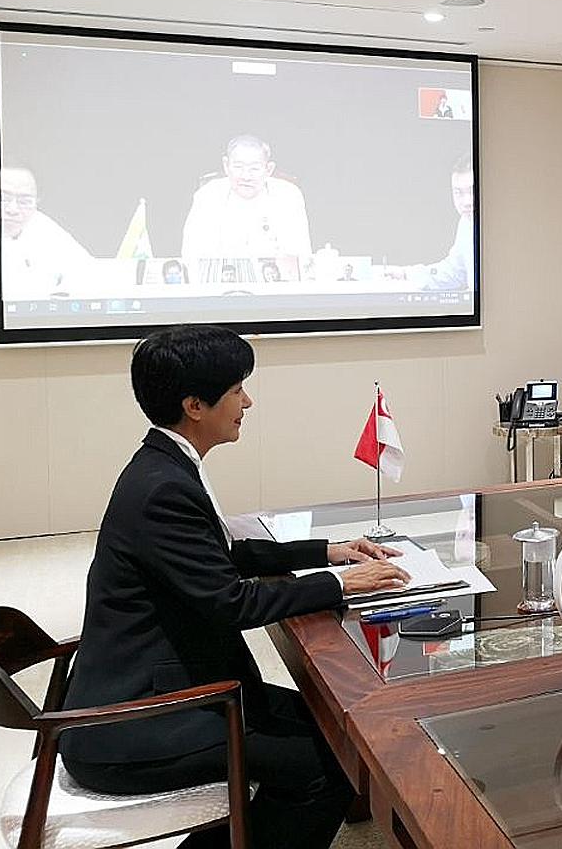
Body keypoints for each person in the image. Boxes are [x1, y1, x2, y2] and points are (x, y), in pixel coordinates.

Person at [60, 325, 410, 849]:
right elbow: (231, 602)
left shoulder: (164, 466)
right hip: (132, 723)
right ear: (195, 405)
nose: (248, 401)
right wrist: (341, 583)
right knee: (329, 762)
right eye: (236, 390)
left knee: (342, 727)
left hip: (168, 683)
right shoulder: (163, 489)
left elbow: (220, 558)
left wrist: (325, 552)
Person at [181, 135, 312, 270]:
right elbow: (192, 254)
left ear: (269, 169)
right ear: (226, 166)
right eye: (238, 167)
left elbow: (299, 255)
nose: (246, 176)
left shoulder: (288, 195)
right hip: (221, 284)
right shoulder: (207, 195)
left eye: (254, 169)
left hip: (273, 284)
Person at [0, 165, 92, 297]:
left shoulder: (41, 225)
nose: (12, 209)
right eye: (3, 198)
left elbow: (88, 271)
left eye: (24, 201)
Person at [410, 157, 476, 291]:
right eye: (458, 193)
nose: (467, 201)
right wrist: (406, 274)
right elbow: (454, 273)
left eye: (472, 191)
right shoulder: (466, 222)